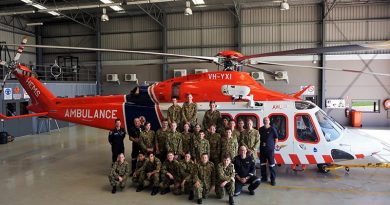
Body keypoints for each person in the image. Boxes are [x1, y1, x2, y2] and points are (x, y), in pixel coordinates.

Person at [259, 117, 279, 186]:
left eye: (267, 120)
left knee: (272, 165)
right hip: (262, 150)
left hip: (270, 150)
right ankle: (264, 178)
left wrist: (273, 146)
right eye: (264, 120)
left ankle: (273, 180)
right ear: (263, 121)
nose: (265, 121)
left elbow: (276, 139)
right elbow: (259, 139)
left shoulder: (272, 129)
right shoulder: (260, 129)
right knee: (262, 164)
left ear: (269, 121)